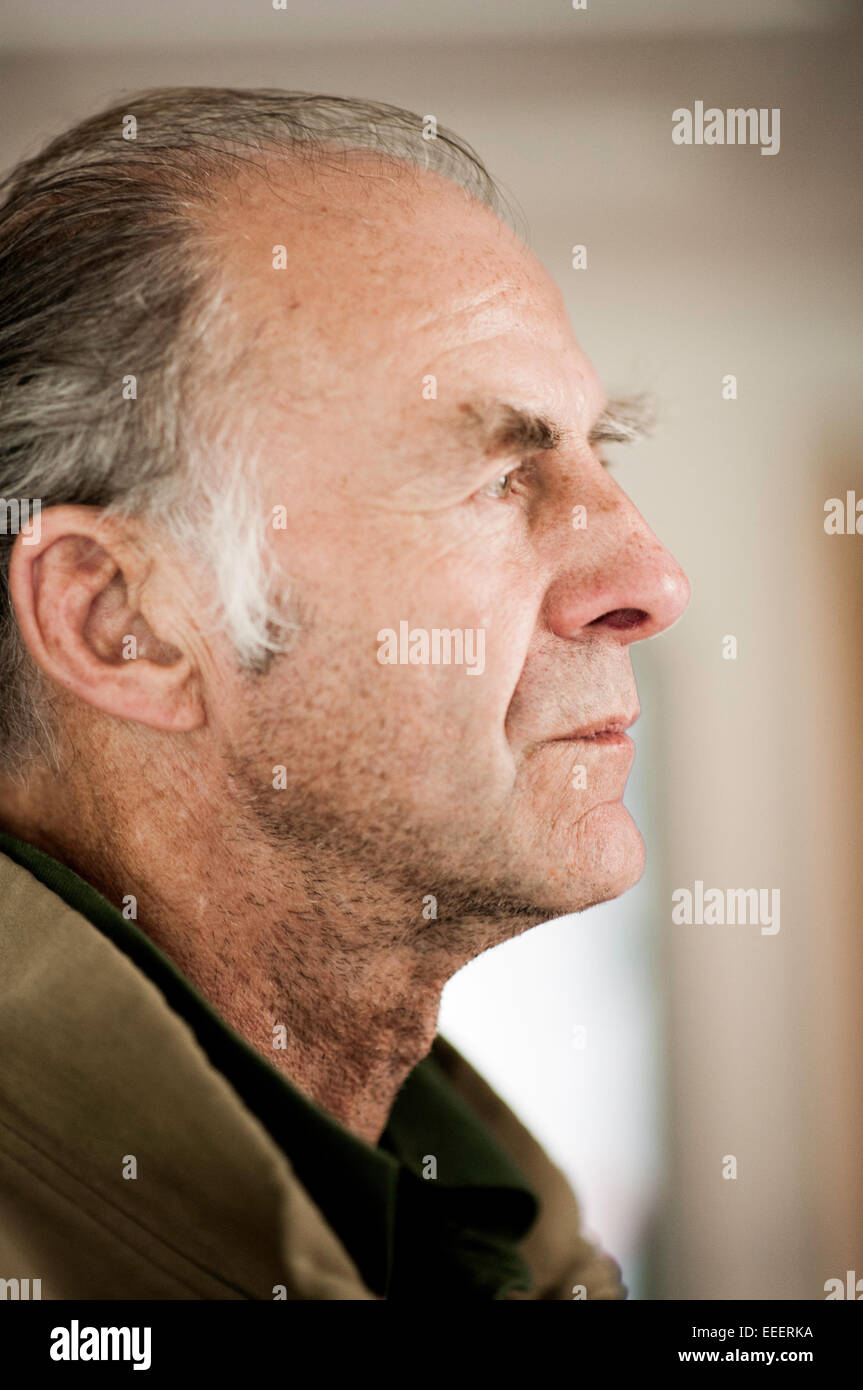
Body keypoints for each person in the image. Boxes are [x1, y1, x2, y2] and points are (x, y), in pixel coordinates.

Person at [0, 88, 689, 1300]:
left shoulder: (492, 1232)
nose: (648, 579)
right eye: (493, 477)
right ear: (121, 621)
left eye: (601, 454)